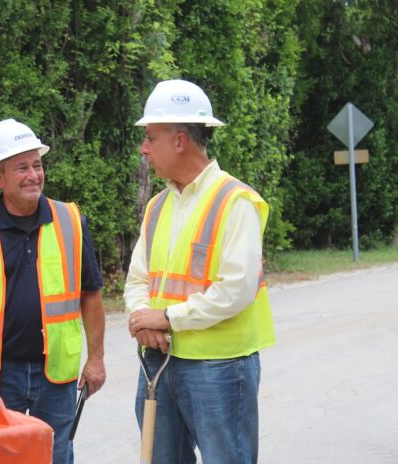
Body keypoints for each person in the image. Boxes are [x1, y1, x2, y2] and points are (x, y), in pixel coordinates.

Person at [124, 79, 276, 463]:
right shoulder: (158, 206)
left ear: (179, 141)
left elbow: (236, 290)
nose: (143, 149)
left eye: (150, 138)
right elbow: (138, 280)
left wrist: (167, 319)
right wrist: (143, 321)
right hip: (159, 360)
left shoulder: (236, 201)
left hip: (220, 367)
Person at [0, 118, 106, 464]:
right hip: (0, 374)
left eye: (37, 165)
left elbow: (90, 295)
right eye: (21, 168)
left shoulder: (71, 221)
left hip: (56, 373)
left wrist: (96, 358)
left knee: (55, 454)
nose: (34, 175)